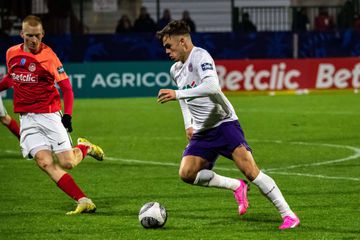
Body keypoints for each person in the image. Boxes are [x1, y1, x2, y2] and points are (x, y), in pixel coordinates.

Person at [156, 20, 300, 230]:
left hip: (224, 124)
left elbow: (212, 87)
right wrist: (189, 124)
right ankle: (236, 186)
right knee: (187, 174)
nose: (166, 51)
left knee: (251, 172)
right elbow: (184, 101)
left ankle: (289, 215)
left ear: (182, 41)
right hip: (202, 130)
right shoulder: (175, 70)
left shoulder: (201, 57)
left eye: (169, 46)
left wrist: (177, 93)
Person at [0, 15, 105, 215]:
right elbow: (11, 78)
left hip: (49, 116)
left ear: (42, 34)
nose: (33, 40)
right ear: (21, 34)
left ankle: (85, 147)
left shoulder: (49, 56)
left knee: (67, 163)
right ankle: (84, 200)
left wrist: (68, 115)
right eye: (29, 36)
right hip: (27, 118)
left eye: (37, 36)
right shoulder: (11, 53)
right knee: (44, 162)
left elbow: (67, 89)